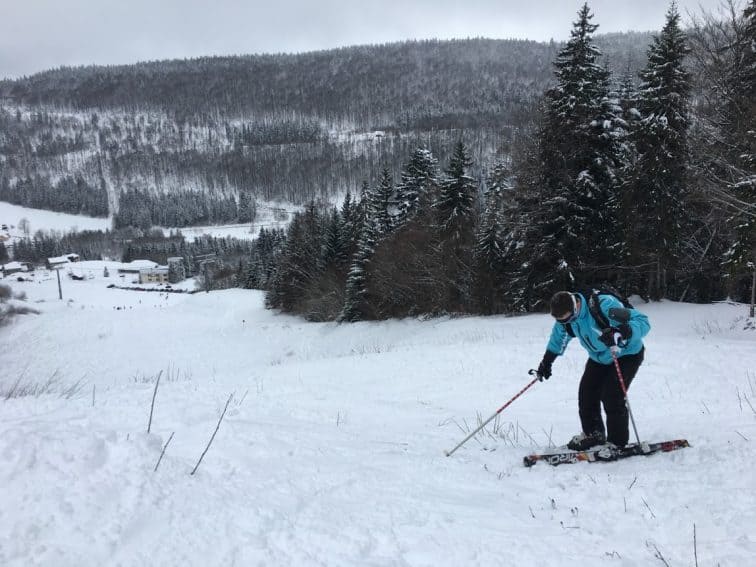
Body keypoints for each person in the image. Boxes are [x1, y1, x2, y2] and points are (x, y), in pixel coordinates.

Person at [535, 290, 650, 451]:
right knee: (586, 393)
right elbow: (558, 338)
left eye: (568, 318)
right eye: (561, 320)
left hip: (626, 354)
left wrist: (622, 332)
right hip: (600, 357)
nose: (566, 322)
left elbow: (642, 321)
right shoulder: (565, 320)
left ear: (575, 307)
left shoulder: (604, 305)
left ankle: (617, 442)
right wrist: (546, 363)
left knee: (612, 395)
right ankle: (594, 434)